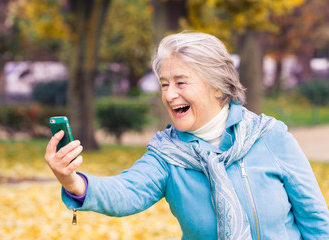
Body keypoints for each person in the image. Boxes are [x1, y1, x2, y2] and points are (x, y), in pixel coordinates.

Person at [45, 32, 329, 240]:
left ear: (217, 87)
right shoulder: (166, 155)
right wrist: (72, 181)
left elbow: (316, 220)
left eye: (181, 82)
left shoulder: (270, 137)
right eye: (164, 84)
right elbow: (126, 192)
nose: (169, 94)